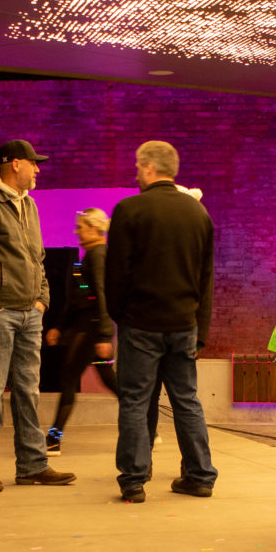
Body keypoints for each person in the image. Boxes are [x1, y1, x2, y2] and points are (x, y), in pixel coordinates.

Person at [0, 139, 74, 492]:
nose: (38, 169)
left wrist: (42, 299)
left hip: (29, 314)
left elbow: (38, 258)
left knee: (28, 391)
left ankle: (33, 466)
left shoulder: (30, 206)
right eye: (34, 163)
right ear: (15, 164)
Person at [104, 140, 217, 503]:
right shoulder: (198, 214)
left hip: (141, 323)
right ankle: (199, 475)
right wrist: (200, 329)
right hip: (184, 324)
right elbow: (206, 279)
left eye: (138, 167)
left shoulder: (129, 210)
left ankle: (134, 480)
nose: (136, 173)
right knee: (187, 400)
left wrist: (120, 315)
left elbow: (116, 273)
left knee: (136, 401)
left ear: (150, 168)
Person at [44, 209, 115, 456]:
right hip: (89, 327)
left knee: (68, 378)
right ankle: (148, 427)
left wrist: (105, 335)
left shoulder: (98, 256)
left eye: (81, 226)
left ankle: (53, 438)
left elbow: (101, 294)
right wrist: (59, 327)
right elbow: (79, 298)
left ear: (95, 229)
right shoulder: (86, 259)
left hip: (92, 330)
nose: (77, 231)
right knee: (109, 380)